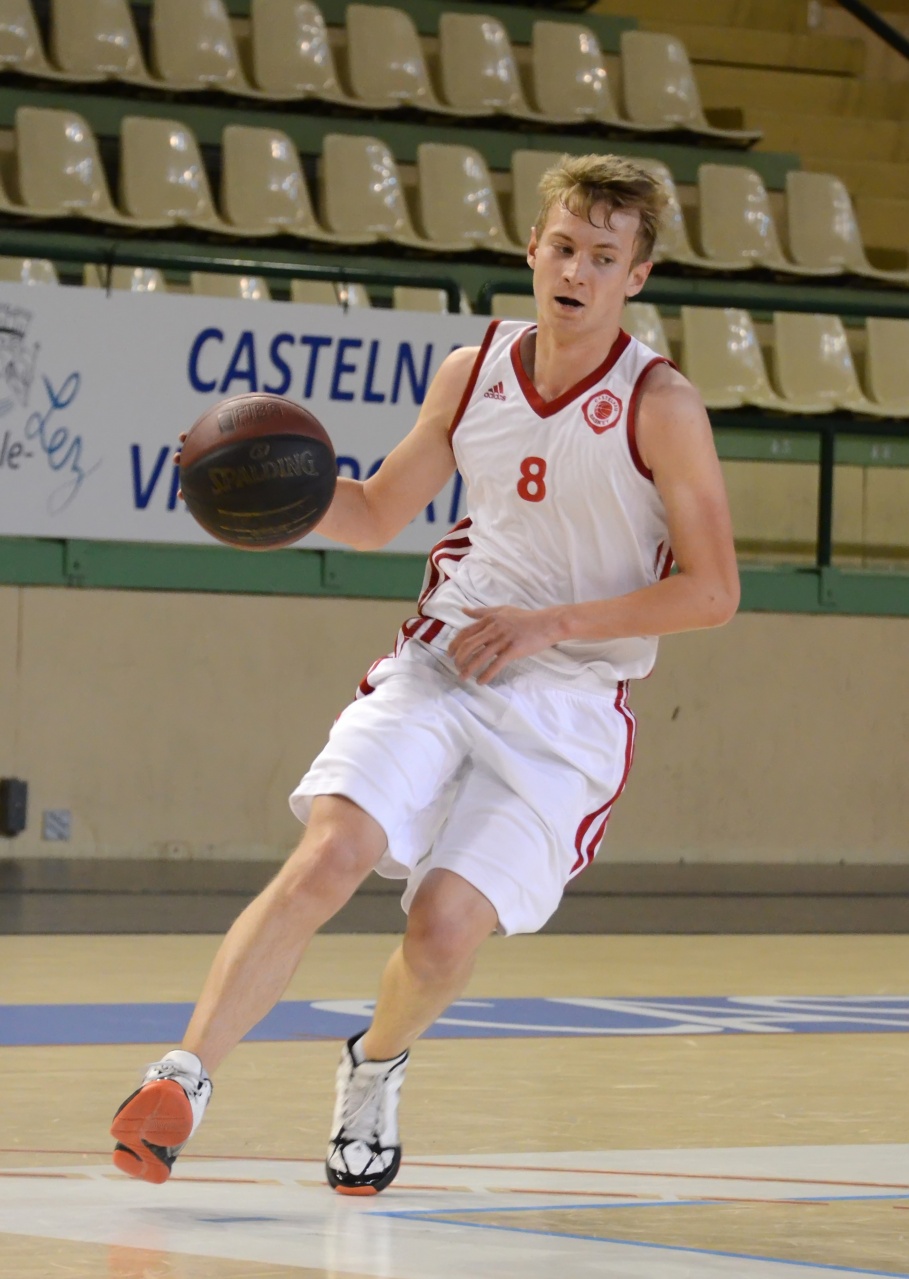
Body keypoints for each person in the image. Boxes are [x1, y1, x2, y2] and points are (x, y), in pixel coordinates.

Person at [110, 153, 740, 1195]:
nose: (576, 271)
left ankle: (375, 1066)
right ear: (531, 249)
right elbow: (372, 514)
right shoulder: (471, 370)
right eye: (563, 247)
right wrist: (254, 485)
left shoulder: (660, 404)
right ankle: (182, 1075)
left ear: (637, 275)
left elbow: (712, 590)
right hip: (448, 657)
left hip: (570, 700)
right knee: (331, 851)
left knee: (442, 931)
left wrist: (551, 624)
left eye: (603, 256)